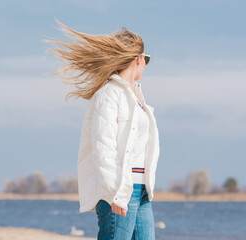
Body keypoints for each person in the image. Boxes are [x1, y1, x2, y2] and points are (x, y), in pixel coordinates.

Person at [44, 18, 160, 240]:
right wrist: (114, 193)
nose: (145, 63)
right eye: (146, 59)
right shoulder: (108, 95)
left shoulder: (136, 96)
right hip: (120, 189)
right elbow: (103, 148)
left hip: (142, 189)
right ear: (138, 59)